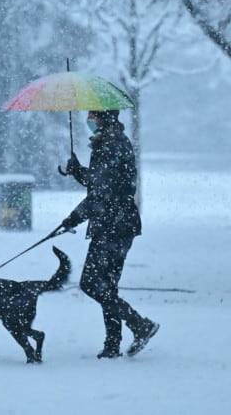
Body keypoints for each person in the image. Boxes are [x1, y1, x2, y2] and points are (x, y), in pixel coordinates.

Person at [61, 110, 159, 358]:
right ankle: (112, 344)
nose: (89, 120)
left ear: (104, 118)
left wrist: (73, 218)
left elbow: (101, 194)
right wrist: (78, 171)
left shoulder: (109, 145)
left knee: (91, 284)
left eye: (93, 115)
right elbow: (102, 183)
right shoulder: (114, 142)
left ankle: (140, 325)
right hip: (120, 223)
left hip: (112, 225)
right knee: (107, 286)